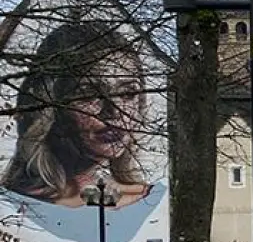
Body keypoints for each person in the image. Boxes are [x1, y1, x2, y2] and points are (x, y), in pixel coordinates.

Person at [2, 20, 151, 207]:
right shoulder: (13, 204)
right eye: (89, 93)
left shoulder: (152, 200)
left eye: (127, 93)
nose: (113, 112)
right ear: (50, 106)